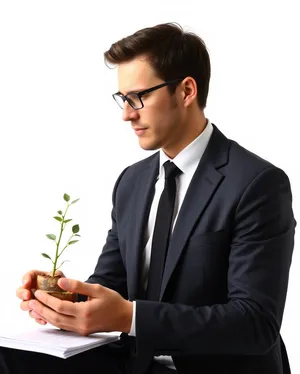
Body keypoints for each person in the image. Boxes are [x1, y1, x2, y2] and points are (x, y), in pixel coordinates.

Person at [0, 22, 296, 374]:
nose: (127, 114)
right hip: (134, 363)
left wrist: (130, 316)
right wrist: (64, 297)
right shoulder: (132, 181)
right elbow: (111, 286)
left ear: (186, 91)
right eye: (123, 99)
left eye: (138, 97)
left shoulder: (257, 183)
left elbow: (254, 323)